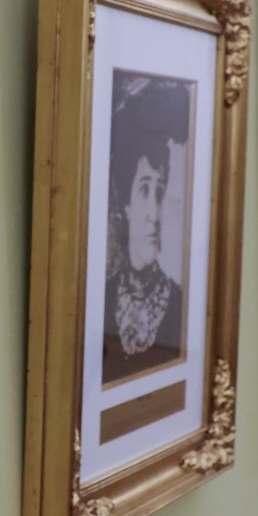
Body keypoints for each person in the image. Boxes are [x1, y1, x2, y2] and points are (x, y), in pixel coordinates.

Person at [102, 76, 188, 384]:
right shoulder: (102, 298)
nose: (154, 213)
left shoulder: (180, 306)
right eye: (143, 190)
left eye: (159, 191)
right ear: (125, 206)